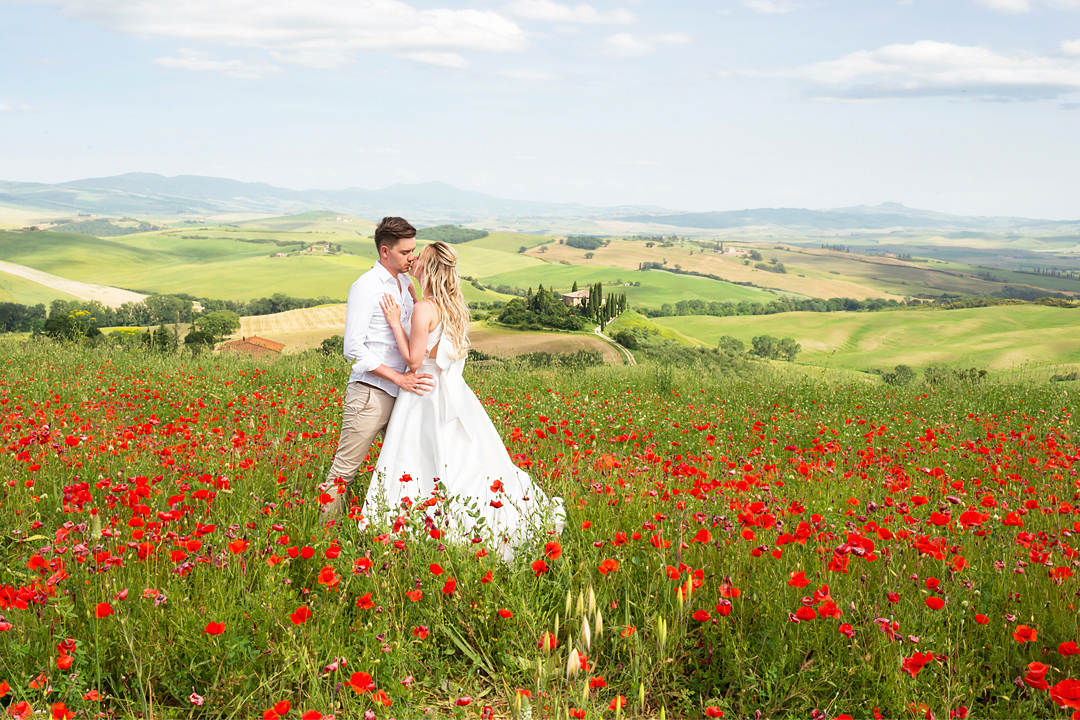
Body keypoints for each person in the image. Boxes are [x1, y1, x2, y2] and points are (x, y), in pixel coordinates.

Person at [360, 241, 565, 559]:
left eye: (419, 258)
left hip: (423, 394)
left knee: (418, 456)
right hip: (451, 392)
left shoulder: (424, 309)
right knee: (461, 457)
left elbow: (414, 361)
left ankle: (420, 524)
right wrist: (414, 299)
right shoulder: (452, 304)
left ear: (427, 267)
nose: (412, 260)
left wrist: (393, 320)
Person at [320, 217, 434, 522]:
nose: (412, 258)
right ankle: (320, 538)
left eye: (413, 251)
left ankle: (395, 531)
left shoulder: (406, 285)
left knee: (404, 466)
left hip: (403, 395)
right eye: (405, 252)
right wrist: (398, 377)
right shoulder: (366, 286)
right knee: (344, 472)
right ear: (385, 251)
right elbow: (353, 349)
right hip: (371, 394)